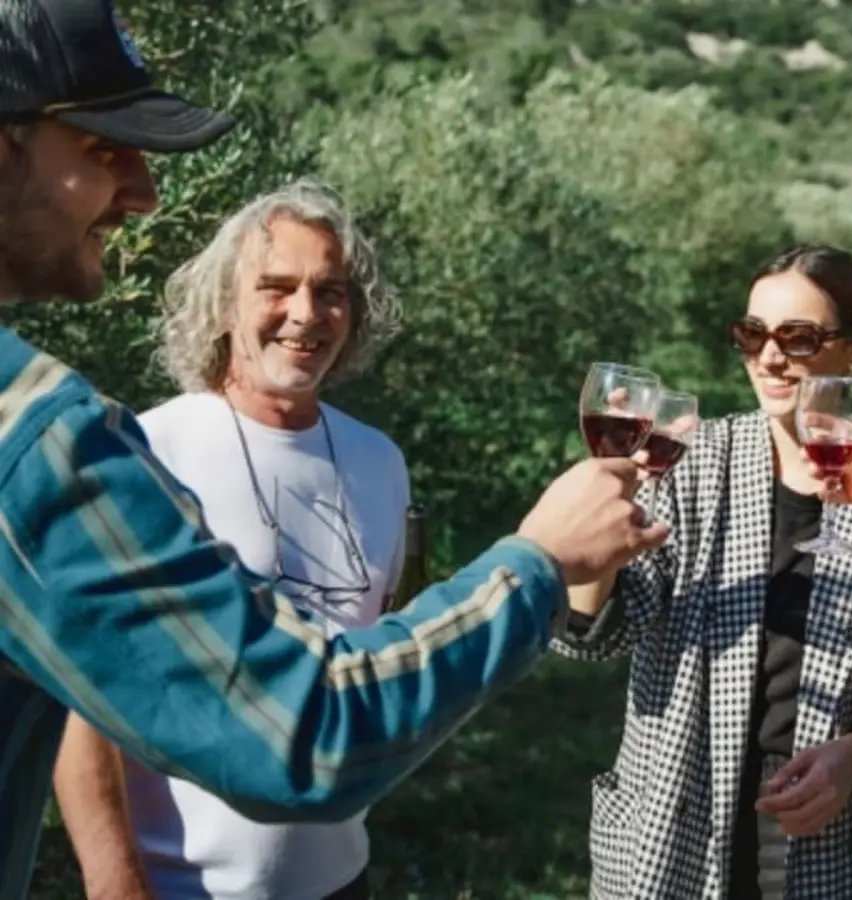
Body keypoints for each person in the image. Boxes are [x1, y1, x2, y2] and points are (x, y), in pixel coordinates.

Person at [0, 2, 667, 897]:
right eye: (101, 148)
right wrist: (538, 561)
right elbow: (305, 730)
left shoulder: (377, 459)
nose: (145, 191)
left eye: (333, 291)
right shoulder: (44, 441)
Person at [52, 181, 412, 900]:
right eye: (276, 287)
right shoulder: (147, 450)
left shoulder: (382, 463)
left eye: (330, 290)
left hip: (344, 881)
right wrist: (115, 882)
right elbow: (78, 707)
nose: (306, 314)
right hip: (178, 887)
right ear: (224, 303)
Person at [555, 244, 852, 899]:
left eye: (797, 337)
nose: (769, 357)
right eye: (752, 334)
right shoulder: (688, 462)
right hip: (671, 823)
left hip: (829, 839)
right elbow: (591, 637)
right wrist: (607, 493)